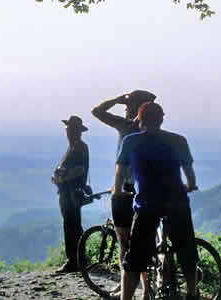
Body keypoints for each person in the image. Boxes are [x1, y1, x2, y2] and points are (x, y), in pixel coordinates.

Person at [111, 102, 200, 300]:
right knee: (186, 250)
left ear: (140, 120)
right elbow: (189, 172)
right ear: (161, 119)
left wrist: (117, 191)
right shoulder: (178, 140)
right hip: (177, 202)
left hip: (147, 205)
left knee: (135, 259)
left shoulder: (130, 141)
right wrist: (191, 185)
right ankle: (192, 293)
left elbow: (120, 170)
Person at [91, 90, 155, 292]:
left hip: (123, 191)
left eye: (127, 105)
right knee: (142, 242)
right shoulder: (153, 131)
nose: (124, 108)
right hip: (146, 190)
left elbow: (97, 111)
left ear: (134, 107)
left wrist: (116, 99)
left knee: (124, 242)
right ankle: (146, 288)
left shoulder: (125, 126)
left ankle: (125, 283)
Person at [52, 116, 89, 274]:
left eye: (69, 129)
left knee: (70, 225)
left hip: (70, 192)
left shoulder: (78, 147)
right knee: (73, 224)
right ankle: (79, 259)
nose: (67, 131)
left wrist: (62, 178)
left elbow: (79, 169)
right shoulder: (75, 147)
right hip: (68, 191)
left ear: (75, 131)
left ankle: (73, 261)